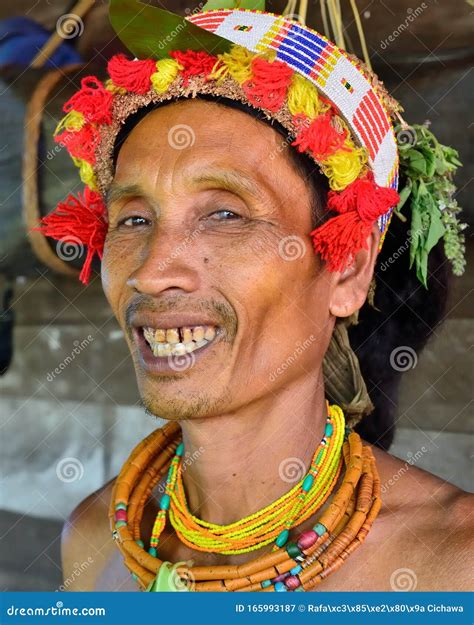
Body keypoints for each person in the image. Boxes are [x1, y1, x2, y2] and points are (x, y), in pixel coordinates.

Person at [37, 1, 472, 592]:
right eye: (134, 220)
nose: (153, 271)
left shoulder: (452, 566)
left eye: (224, 213)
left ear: (347, 269)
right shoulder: (93, 540)